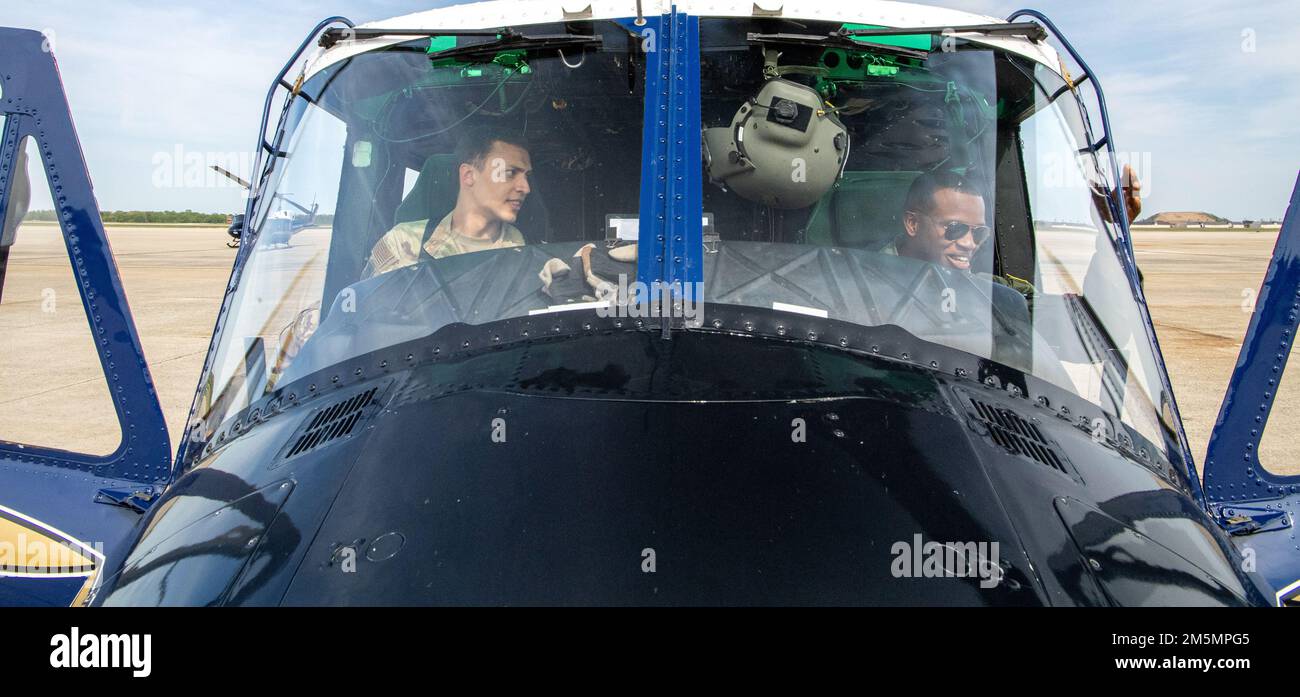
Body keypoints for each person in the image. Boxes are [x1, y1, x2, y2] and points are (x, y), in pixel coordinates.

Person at [362, 130, 532, 278]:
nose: (525, 188)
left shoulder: (530, 254)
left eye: (526, 176)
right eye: (510, 173)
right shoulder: (402, 243)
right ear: (468, 175)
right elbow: (369, 311)